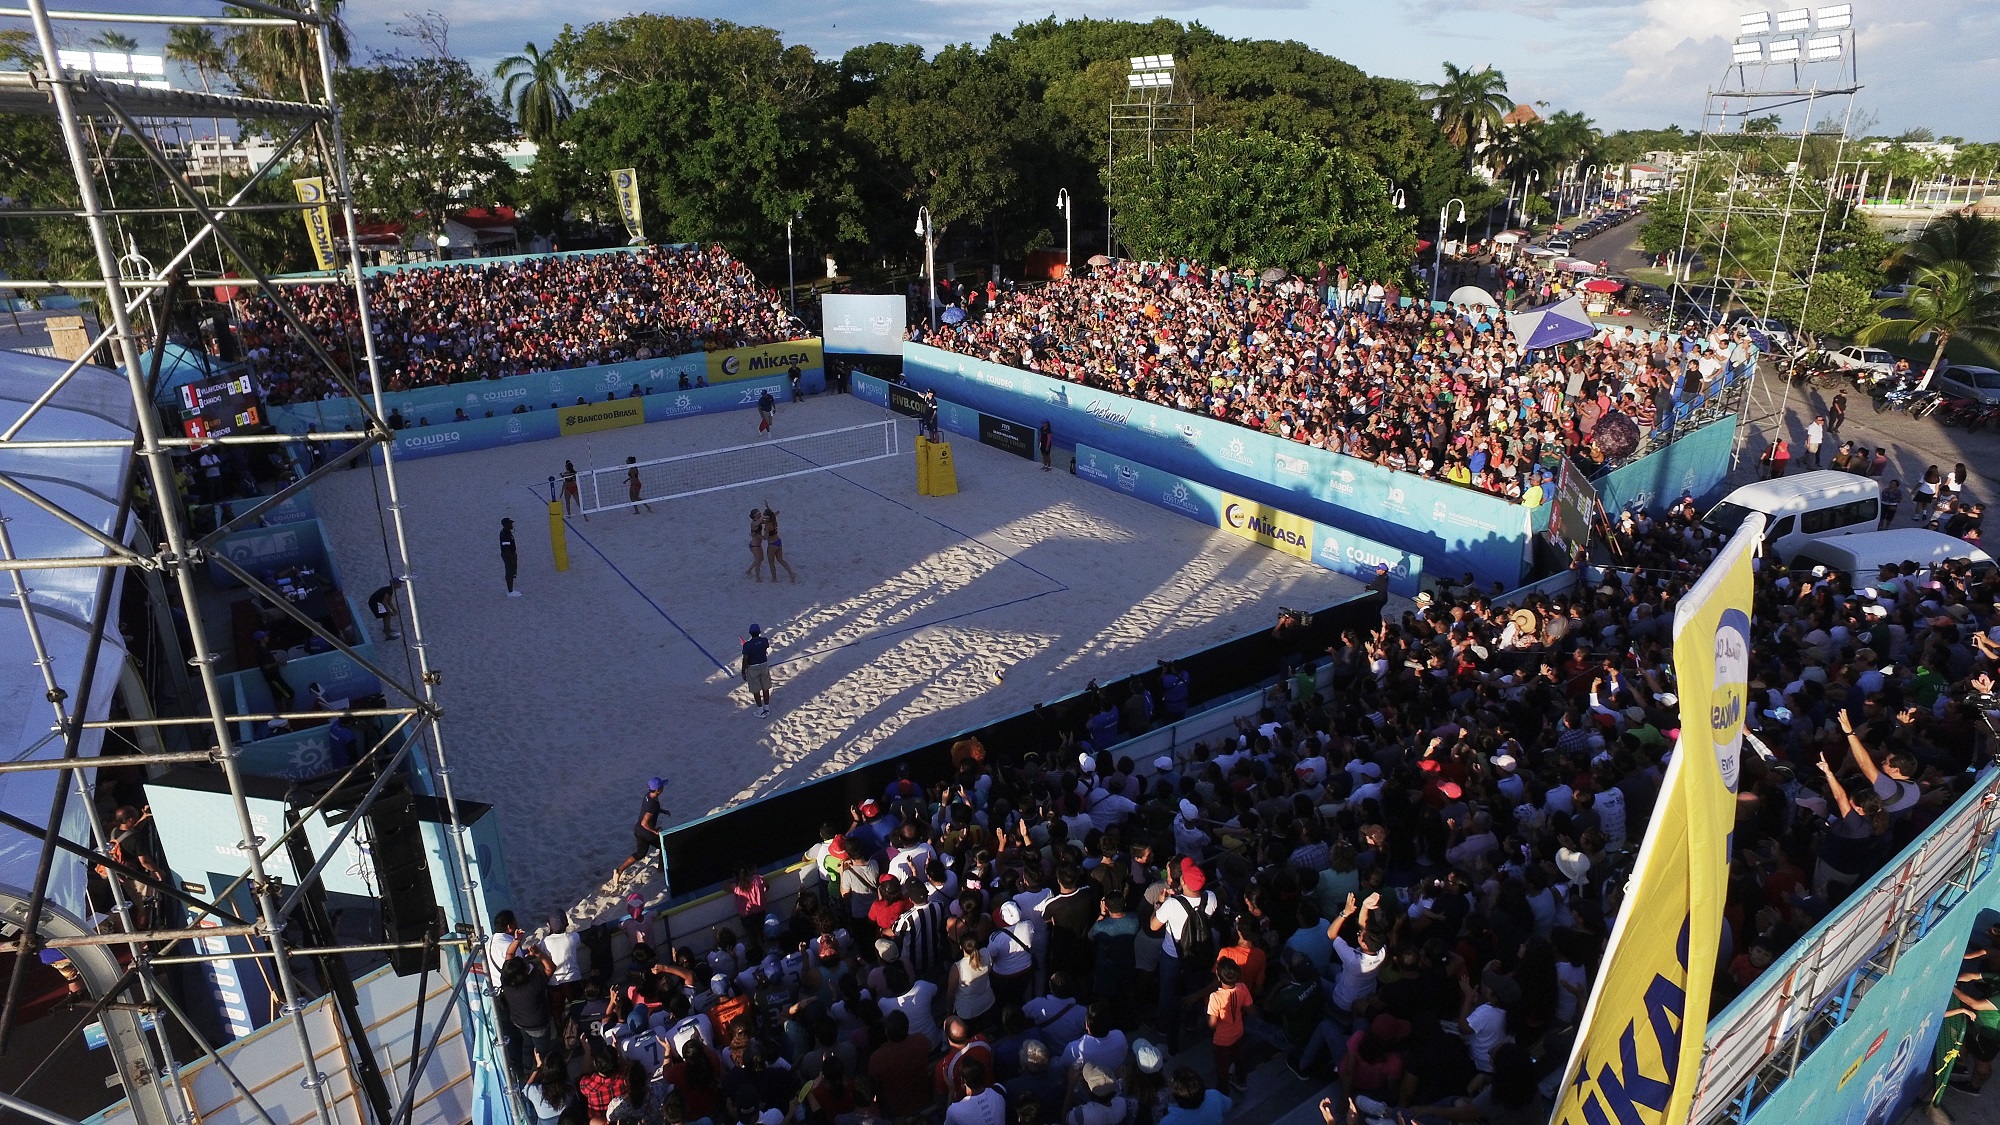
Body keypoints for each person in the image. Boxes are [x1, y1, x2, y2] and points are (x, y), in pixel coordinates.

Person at [612, 776, 669, 883]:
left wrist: (662, 811)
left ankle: (619, 871)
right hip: (645, 831)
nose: (663, 788)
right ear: (658, 790)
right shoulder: (653, 804)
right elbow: (645, 822)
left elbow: (650, 810)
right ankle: (661, 870)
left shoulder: (648, 796)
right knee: (664, 845)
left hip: (638, 830)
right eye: (662, 787)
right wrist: (655, 831)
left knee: (640, 853)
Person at [742, 624, 774, 717]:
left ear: (750, 633)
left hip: (753, 667)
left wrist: (743, 671)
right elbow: (764, 646)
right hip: (764, 665)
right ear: (759, 632)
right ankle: (767, 708)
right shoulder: (764, 641)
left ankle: (760, 710)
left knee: (756, 689)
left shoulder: (747, 645)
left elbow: (745, 659)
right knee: (765, 687)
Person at [762, 506, 797, 583]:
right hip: (778, 542)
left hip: (772, 544)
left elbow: (765, 537)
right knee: (780, 559)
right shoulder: (774, 519)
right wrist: (767, 506)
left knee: (771, 562)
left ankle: (774, 579)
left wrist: (757, 536)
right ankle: (791, 573)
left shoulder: (768, 525)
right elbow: (776, 512)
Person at [499, 517, 521, 597]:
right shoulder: (505, 535)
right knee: (509, 572)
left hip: (511, 554)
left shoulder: (507, 532)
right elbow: (506, 549)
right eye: (510, 523)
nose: (511, 525)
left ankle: (511, 589)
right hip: (508, 556)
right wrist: (511, 558)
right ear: (505, 525)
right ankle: (510, 591)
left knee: (512, 572)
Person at [744, 509, 767, 582]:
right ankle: (757, 578)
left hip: (758, 545)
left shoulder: (759, 522)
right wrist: (763, 517)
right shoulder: (753, 523)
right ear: (754, 515)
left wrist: (772, 515)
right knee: (758, 561)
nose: (760, 513)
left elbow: (766, 521)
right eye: (758, 513)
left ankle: (749, 570)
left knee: (760, 559)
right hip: (754, 546)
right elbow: (757, 523)